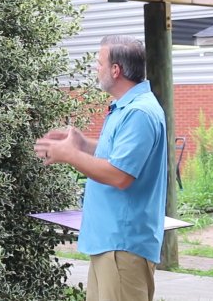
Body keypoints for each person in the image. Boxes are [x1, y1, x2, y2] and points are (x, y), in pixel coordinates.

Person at [35, 35, 167, 301]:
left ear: (115, 70)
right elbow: (119, 158)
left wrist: (70, 155)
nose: (96, 68)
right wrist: (83, 145)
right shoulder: (125, 108)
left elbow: (120, 175)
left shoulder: (139, 113)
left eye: (99, 63)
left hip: (123, 245)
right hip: (110, 243)